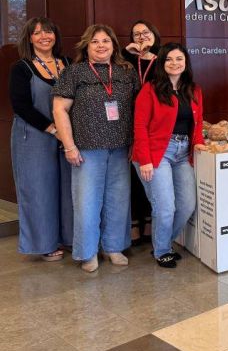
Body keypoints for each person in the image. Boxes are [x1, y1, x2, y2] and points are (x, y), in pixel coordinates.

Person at [53, 24, 140, 272]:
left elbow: (139, 108)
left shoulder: (126, 71)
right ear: (86, 46)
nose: (101, 46)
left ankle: (113, 247)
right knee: (86, 202)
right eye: (95, 41)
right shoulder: (74, 72)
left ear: (114, 46)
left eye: (106, 41)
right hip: (86, 149)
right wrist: (69, 146)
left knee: (118, 200)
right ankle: (88, 252)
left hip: (121, 148)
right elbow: (59, 109)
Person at [133, 44, 205, 268]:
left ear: (186, 62)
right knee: (165, 207)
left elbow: (198, 122)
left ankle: (162, 242)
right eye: (169, 59)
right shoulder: (150, 89)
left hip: (183, 154)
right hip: (156, 154)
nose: (175, 63)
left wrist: (199, 144)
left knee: (186, 205)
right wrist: (145, 159)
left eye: (179, 58)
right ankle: (163, 250)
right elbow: (140, 126)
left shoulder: (194, 90)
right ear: (162, 64)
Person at [8, 18, 72, 261]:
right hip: (33, 137)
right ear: (30, 38)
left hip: (66, 136)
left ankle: (68, 237)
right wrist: (51, 128)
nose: (44, 36)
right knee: (38, 190)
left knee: (68, 189)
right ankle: (44, 243)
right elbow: (20, 106)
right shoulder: (21, 68)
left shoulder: (67, 63)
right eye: (37, 33)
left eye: (49, 31)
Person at [123, 20, 161, 246]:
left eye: (146, 32)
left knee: (151, 175)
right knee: (132, 177)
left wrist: (152, 56)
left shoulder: (164, 57)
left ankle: (149, 221)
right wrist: (127, 53)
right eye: (136, 34)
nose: (141, 37)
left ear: (154, 34)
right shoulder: (125, 60)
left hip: (155, 125)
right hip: (129, 123)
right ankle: (133, 223)